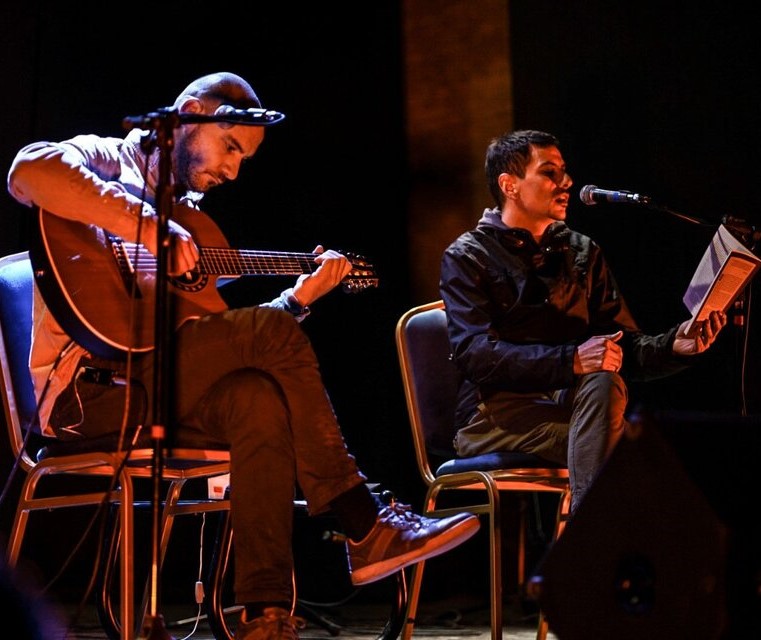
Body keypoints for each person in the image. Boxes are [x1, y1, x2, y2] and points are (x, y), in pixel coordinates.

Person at [6, 71, 480, 640]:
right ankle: (363, 520)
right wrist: (149, 223)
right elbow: (28, 170)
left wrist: (298, 299)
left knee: (256, 397)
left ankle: (267, 613)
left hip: (159, 382)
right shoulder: (107, 161)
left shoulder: (194, 223)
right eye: (230, 146)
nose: (231, 170)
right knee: (265, 344)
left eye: (243, 159)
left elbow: (221, 340)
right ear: (193, 112)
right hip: (91, 397)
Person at [439, 129, 727, 515]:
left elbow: (620, 347)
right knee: (637, 452)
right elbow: (474, 354)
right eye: (549, 173)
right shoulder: (467, 256)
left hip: (575, 408)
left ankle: (588, 545)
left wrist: (674, 344)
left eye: (565, 171)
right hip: (494, 415)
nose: (567, 183)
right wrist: (570, 360)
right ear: (509, 185)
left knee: (605, 381)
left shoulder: (581, 250)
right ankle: (597, 547)